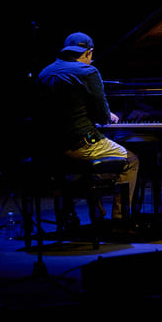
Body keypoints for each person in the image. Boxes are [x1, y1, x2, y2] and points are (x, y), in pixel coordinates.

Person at [35, 32, 139, 221]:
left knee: (97, 167)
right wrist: (109, 115)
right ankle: (120, 222)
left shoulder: (45, 72)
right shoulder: (88, 71)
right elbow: (103, 118)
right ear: (89, 52)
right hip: (81, 145)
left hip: (51, 148)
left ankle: (95, 214)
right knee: (131, 161)